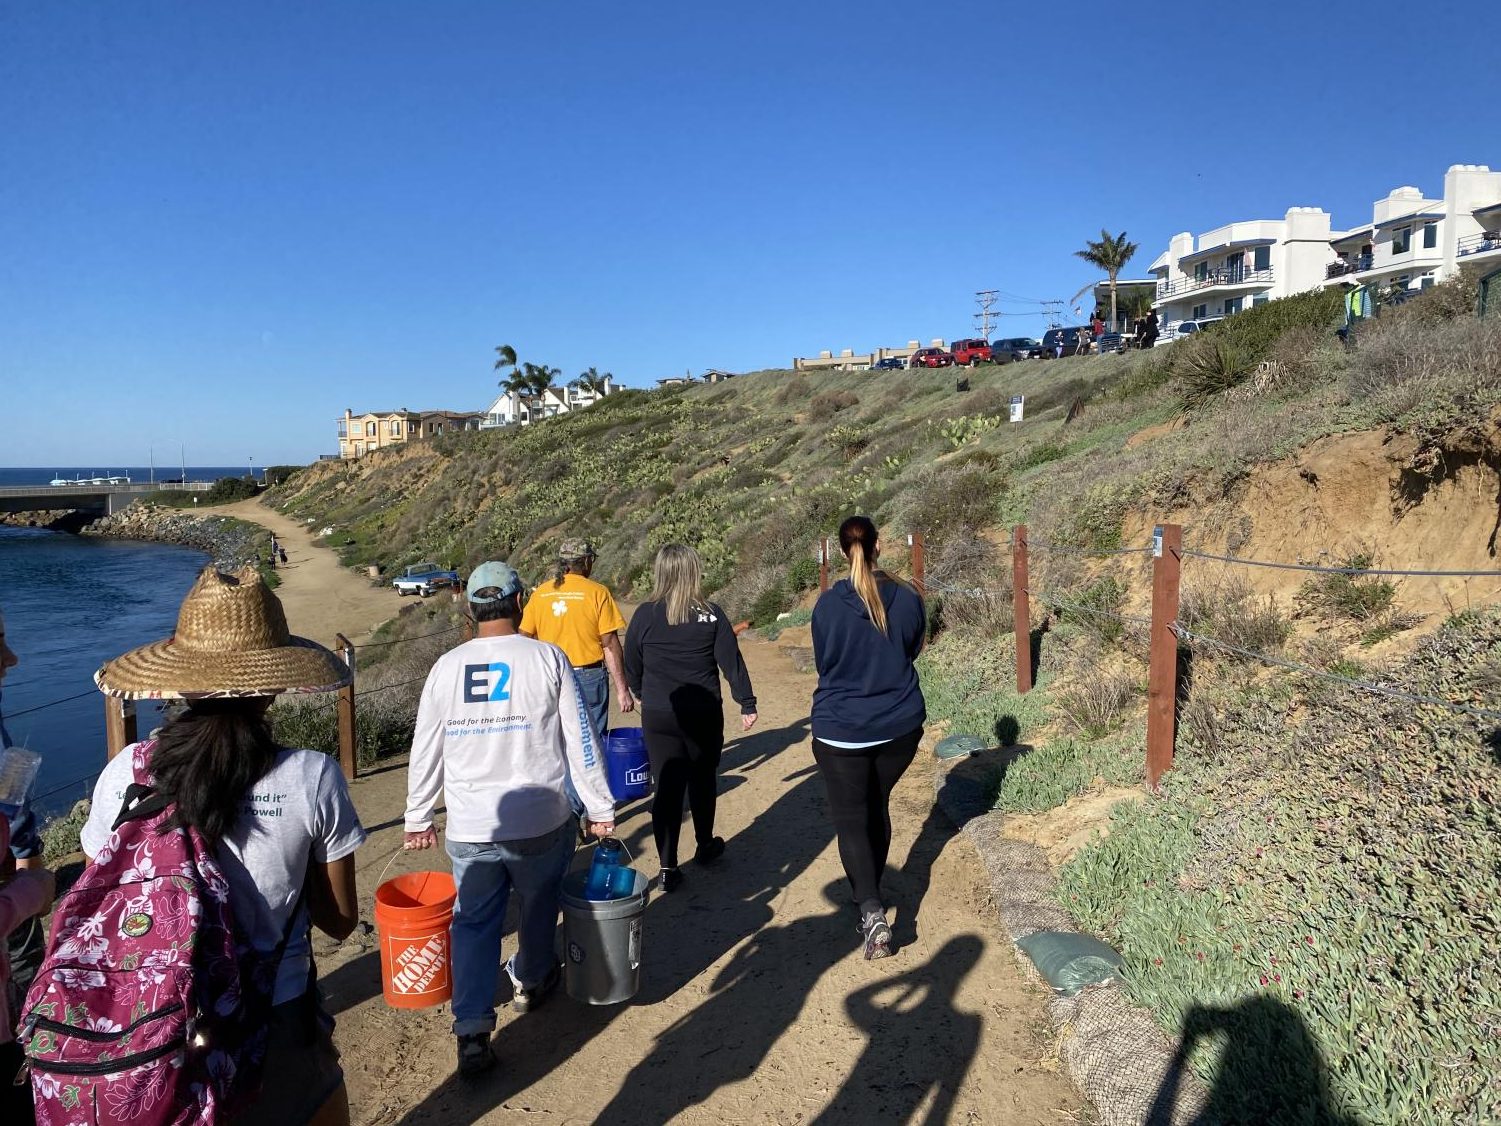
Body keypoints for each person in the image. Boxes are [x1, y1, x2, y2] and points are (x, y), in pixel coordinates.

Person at [80, 566, 365, 1125]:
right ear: (274, 682)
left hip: (154, 1022)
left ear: (181, 679)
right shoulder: (311, 776)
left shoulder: (128, 771)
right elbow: (340, 922)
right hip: (275, 1016)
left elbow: (105, 900)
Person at [404, 561, 616, 1079]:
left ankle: (473, 1026)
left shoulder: (446, 667)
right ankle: (534, 977)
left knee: (474, 921)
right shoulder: (548, 657)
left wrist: (417, 814)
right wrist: (600, 806)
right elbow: (580, 738)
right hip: (541, 817)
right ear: (520, 603)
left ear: (472, 608)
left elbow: (426, 746)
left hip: (472, 824)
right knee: (539, 901)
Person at [810, 516, 926, 961]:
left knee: (851, 820)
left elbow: (826, 664)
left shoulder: (827, 606)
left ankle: (871, 907)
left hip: (842, 730)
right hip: (899, 725)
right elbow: (912, 648)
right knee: (876, 805)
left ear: (843, 552)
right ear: (879, 545)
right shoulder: (909, 598)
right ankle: (871, 890)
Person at [623, 544, 757, 893]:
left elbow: (632, 662)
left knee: (666, 787)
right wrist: (746, 702)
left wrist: (641, 692)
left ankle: (667, 867)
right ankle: (704, 843)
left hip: (659, 713)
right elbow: (732, 662)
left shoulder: (644, 614)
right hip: (703, 713)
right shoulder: (711, 614)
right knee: (702, 779)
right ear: (694, 572)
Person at [520, 539, 634, 816]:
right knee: (588, 747)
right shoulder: (597, 592)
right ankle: (577, 811)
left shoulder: (541, 594)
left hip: (547, 679)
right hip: (587, 677)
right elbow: (609, 643)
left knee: (554, 744)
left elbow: (525, 638)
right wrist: (622, 689)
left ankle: (560, 809)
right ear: (586, 562)